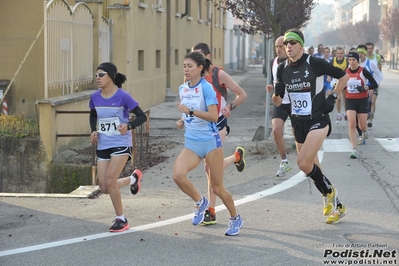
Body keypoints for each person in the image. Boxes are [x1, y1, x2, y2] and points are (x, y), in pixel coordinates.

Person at [273, 29, 349, 224]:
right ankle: (337, 205)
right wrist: (276, 94)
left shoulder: (314, 63)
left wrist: (332, 96)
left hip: (318, 119)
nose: (288, 46)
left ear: (300, 45)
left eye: (292, 43)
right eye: (286, 43)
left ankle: (329, 192)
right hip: (298, 122)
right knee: (312, 167)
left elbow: (344, 77)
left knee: (302, 162)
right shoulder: (282, 68)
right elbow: (278, 101)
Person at [173, 51, 243, 236]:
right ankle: (200, 202)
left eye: (190, 66)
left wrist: (191, 111)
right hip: (192, 143)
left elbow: (213, 115)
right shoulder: (183, 88)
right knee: (178, 175)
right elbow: (186, 114)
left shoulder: (207, 89)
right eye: (184, 66)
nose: (186, 70)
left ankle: (235, 218)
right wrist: (182, 120)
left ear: (200, 68)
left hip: (210, 142)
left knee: (217, 188)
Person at [191, 43, 247, 225]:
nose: (195, 61)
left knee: (209, 168)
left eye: (199, 57)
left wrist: (230, 106)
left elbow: (241, 94)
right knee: (210, 167)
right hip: (200, 127)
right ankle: (236, 157)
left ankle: (211, 210)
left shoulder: (218, 75)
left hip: (218, 125)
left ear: (208, 57)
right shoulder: (192, 76)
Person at [89, 62, 147, 232]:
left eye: (101, 75)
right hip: (104, 144)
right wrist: (93, 130)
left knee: (110, 181)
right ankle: (133, 179)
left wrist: (128, 125)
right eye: (96, 75)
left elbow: (142, 116)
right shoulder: (95, 97)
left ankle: (121, 219)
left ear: (111, 77)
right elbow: (93, 116)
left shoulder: (123, 96)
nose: (97, 78)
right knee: (104, 187)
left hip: (121, 143)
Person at [266, 36, 293, 177]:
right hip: (281, 101)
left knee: (299, 135)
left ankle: (308, 162)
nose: (278, 49)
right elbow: (274, 80)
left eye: (280, 46)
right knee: (276, 130)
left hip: (295, 102)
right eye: (276, 46)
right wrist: (270, 86)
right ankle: (284, 161)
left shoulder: (295, 62)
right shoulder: (273, 62)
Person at [345, 52, 378, 158]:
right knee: (351, 123)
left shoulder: (363, 71)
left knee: (362, 125)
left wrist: (365, 88)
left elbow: (374, 84)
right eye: (350, 60)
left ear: (357, 61)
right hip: (350, 100)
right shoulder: (345, 72)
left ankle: (364, 131)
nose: (351, 62)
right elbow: (338, 82)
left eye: (353, 60)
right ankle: (353, 149)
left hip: (362, 100)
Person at [356, 45, 383, 128]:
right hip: (358, 89)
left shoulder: (370, 63)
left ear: (365, 53)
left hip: (369, 88)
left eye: (362, 52)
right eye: (358, 52)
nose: (360, 54)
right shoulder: (353, 63)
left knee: (370, 103)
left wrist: (372, 86)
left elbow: (380, 76)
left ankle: (369, 119)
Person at [331, 46, 349, 123]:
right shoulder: (333, 61)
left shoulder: (346, 61)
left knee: (344, 98)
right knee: (338, 98)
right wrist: (329, 76)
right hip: (335, 81)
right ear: (336, 54)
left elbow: (349, 70)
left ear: (343, 53)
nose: (339, 55)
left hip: (344, 80)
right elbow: (329, 69)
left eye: (341, 53)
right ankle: (338, 115)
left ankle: (345, 114)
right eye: (338, 53)